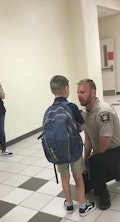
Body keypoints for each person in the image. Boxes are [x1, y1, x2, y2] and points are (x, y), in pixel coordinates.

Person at [49, 76, 96, 216]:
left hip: (58, 152)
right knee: (78, 177)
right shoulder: (71, 107)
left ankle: (69, 204)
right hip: (74, 150)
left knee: (64, 177)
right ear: (66, 89)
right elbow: (82, 126)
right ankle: (82, 206)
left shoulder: (49, 110)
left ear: (52, 91)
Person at [77, 79, 120, 210]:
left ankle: (104, 198)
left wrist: (90, 161)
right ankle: (114, 173)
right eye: (78, 92)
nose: (79, 95)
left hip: (116, 151)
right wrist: (85, 161)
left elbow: (104, 145)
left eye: (82, 92)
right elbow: (88, 139)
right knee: (84, 179)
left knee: (95, 163)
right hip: (105, 153)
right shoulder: (86, 113)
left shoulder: (103, 112)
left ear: (93, 92)